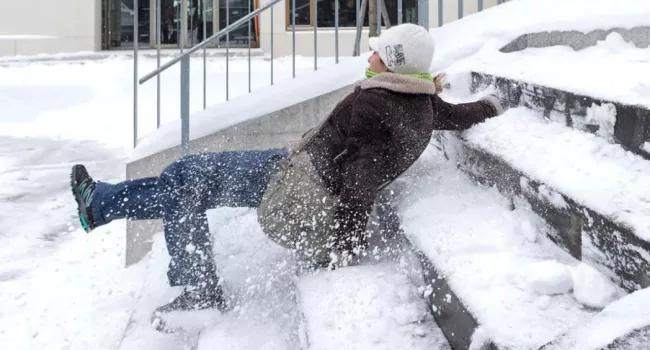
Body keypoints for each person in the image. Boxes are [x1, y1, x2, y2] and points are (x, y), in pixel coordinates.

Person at [70, 23, 504, 322]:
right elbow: (455, 115)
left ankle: (197, 287)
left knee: (185, 180)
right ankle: (104, 206)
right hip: (295, 166)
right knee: (184, 177)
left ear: (391, 60)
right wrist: (490, 107)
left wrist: (344, 248)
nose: (368, 53)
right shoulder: (417, 99)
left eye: (376, 49)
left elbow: (361, 180)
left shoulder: (379, 104)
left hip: (296, 182)